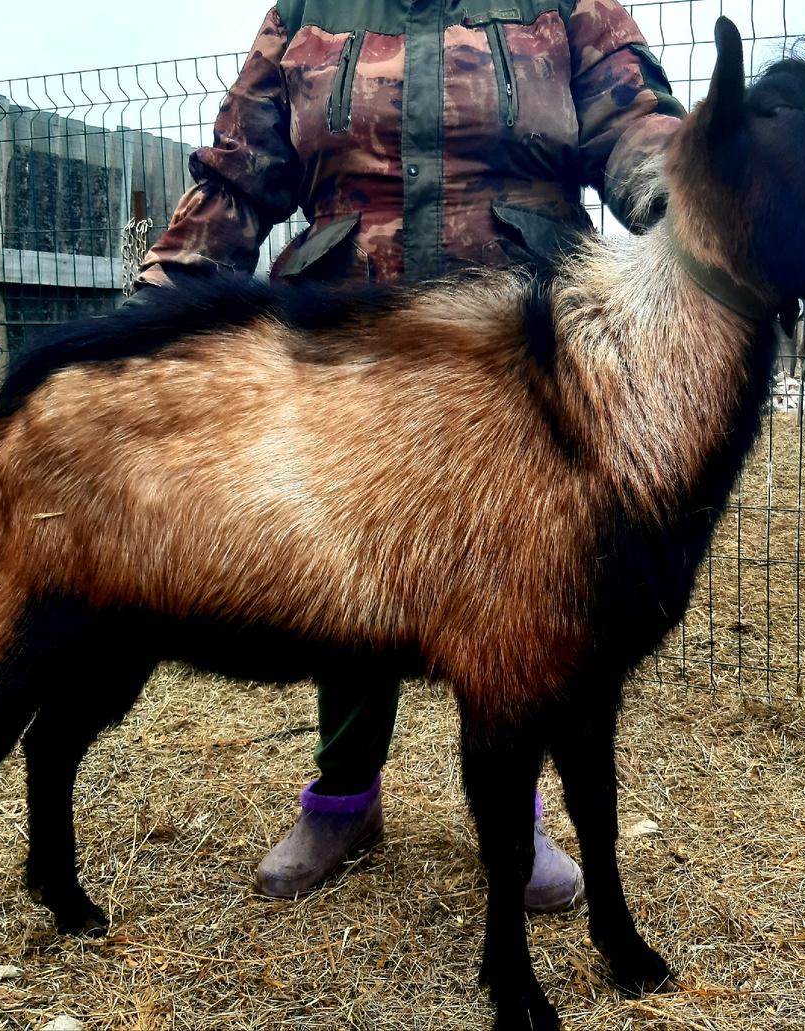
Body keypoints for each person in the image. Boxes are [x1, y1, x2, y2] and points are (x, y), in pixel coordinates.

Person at [133, 0, 684, 912]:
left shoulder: (567, 8)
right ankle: (343, 798)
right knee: (352, 574)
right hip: (351, 349)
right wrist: (137, 321)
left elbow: (638, 129)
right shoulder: (309, 13)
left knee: (522, 596)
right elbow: (238, 177)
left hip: (523, 355)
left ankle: (521, 813)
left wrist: (718, 186)